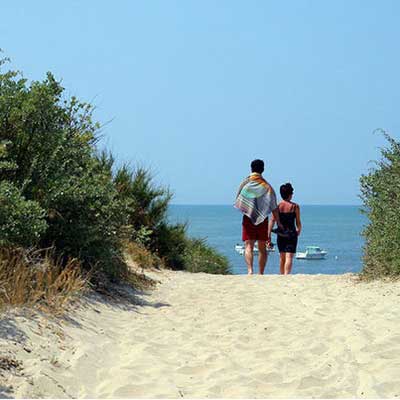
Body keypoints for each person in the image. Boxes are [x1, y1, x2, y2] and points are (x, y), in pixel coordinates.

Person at [235, 159, 283, 275]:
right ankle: (261, 273)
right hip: (263, 219)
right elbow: (273, 206)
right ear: (263, 169)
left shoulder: (245, 184)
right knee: (262, 247)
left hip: (248, 217)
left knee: (248, 245)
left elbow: (239, 199)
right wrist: (279, 222)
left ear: (251, 169)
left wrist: (249, 209)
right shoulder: (267, 186)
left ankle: (250, 270)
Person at [268, 183, 302, 275]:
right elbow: (298, 221)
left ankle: (282, 275)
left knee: (282, 257)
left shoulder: (277, 206)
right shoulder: (295, 206)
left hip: (281, 234)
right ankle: (286, 275)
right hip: (291, 234)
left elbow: (272, 220)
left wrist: (269, 235)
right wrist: (299, 230)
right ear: (290, 194)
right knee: (289, 257)